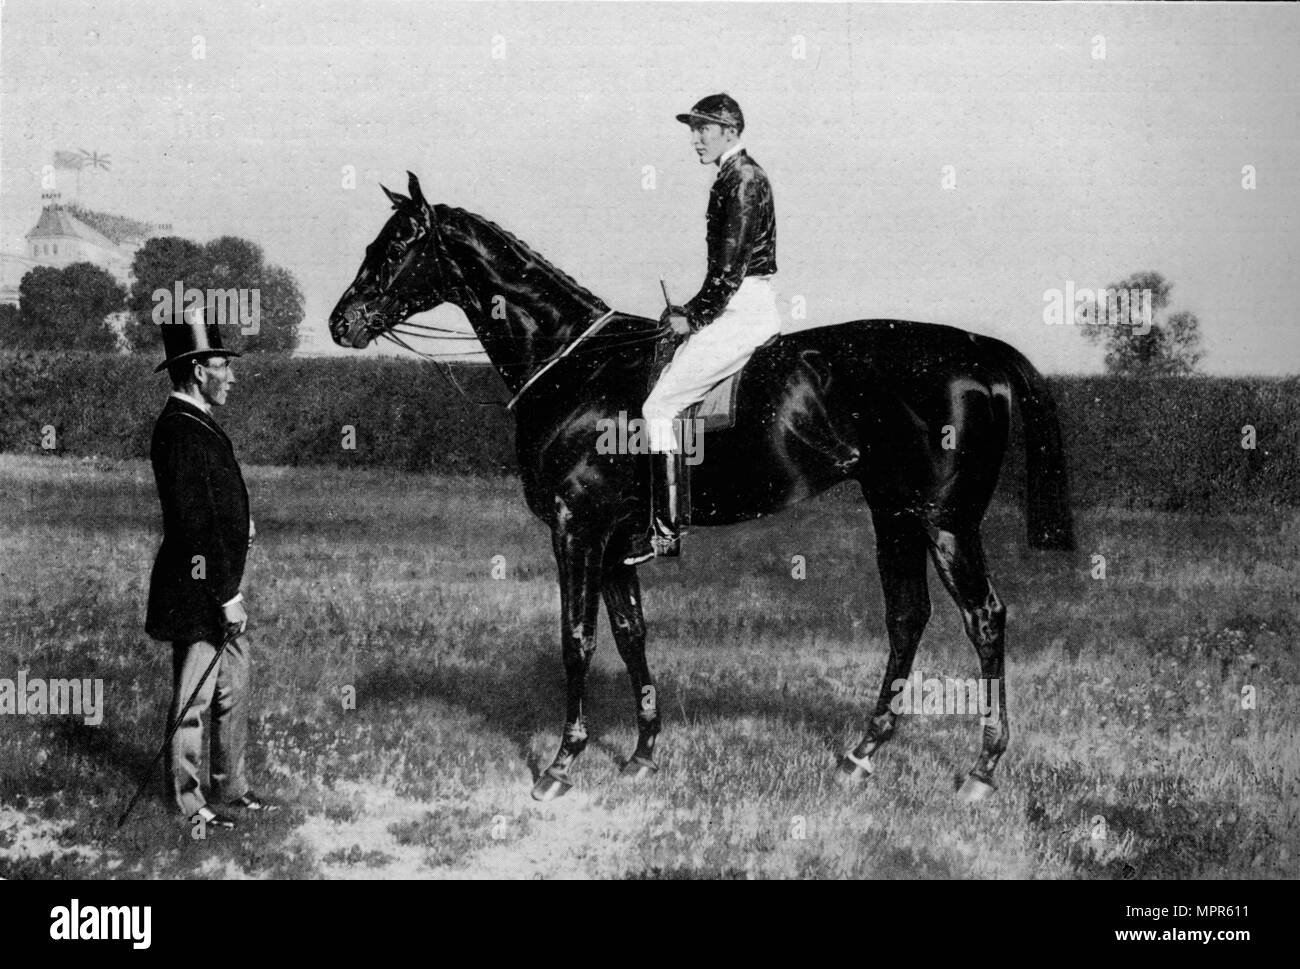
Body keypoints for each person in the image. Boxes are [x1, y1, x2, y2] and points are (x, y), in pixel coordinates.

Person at [625, 92, 781, 565]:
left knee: (659, 406)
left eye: (703, 130)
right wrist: (690, 310)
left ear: (730, 133)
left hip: (744, 308)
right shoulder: (733, 176)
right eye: (693, 130)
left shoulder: (742, 179)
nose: (695, 139)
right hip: (737, 303)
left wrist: (693, 315)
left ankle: (665, 534)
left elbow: (730, 271)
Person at [145, 309, 278, 830]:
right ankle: (188, 801)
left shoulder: (197, 422)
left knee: (234, 690)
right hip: (199, 590)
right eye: (225, 366)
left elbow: (215, 502)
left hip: (220, 582)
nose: (233, 377)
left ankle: (232, 787)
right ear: (200, 370)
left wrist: (243, 521)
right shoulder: (178, 430)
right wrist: (225, 597)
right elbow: (193, 525)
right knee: (194, 700)